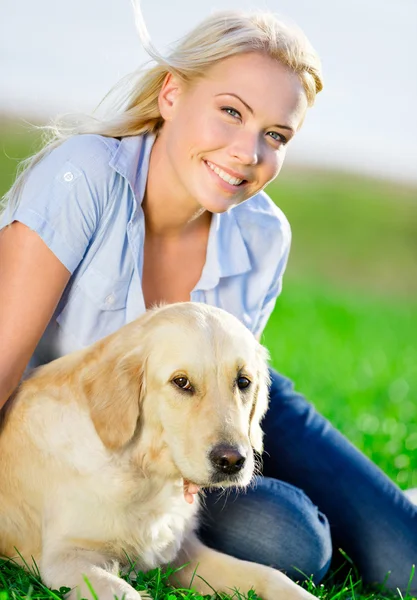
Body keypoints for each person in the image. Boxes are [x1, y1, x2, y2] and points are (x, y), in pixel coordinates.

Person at [0, 4, 416, 594]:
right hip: (88, 429)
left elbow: (227, 393)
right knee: (293, 539)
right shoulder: (83, 179)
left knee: (408, 553)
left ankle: (383, 503)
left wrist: (213, 441)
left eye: (275, 135)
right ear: (171, 93)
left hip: (236, 390)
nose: (248, 152)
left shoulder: (266, 232)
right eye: (231, 112)